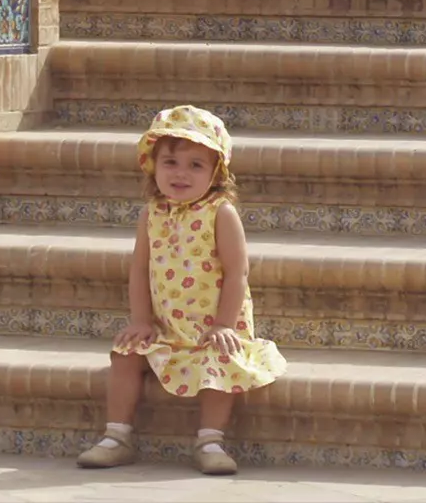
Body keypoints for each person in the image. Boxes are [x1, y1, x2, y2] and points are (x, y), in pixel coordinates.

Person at [76, 105, 287, 475]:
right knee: (125, 354)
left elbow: (237, 272)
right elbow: (140, 269)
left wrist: (224, 325)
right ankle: (117, 436)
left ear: (216, 172)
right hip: (166, 328)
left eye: (196, 165)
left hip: (212, 328)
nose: (180, 173)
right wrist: (141, 320)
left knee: (221, 362)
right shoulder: (151, 213)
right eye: (170, 162)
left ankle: (210, 441)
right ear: (153, 165)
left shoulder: (221, 213)